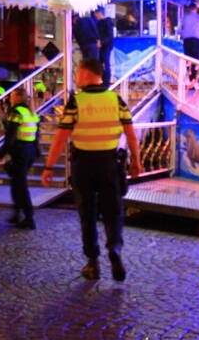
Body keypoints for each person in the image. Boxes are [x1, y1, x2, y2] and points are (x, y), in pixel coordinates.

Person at [41, 58, 142, 281]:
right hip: (109, 164)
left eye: (78, 72)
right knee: (113, 212)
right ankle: (114, 248)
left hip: (83, 165)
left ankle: (93, 262)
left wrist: (49, 166)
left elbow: (60, 138)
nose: (76, 77)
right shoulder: (116, 100)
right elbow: (131, 134)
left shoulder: (76, 102)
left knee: (87, 214)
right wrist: (136, 161)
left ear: (87, 74)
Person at [0, 87, 39, 229]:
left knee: (20, 184)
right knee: (16, 182)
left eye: (12, 95)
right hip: (29, 150)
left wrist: (1, 154)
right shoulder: (30, 112)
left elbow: (10, 136)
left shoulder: (16, 112)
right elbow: (36, 135)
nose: (10, 98)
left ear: (18, 97)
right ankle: (17, 212)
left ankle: (29, 217)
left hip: (20, 151)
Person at [179, 2, 199, 85]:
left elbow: (179, 30)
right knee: (195, 60)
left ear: (189, 8)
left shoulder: (184, 18)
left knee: (188, 60)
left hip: (187, 40)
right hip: (196, 41)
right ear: (196, 9)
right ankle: (194, 80)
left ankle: (189, 79)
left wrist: (182, 35)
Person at [94, 8, 116, 86]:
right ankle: (104, 80)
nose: (95, 17)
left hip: (105, 46)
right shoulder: (102, 23)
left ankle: (106, 81)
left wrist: (102, 42)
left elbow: (109, 36)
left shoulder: (106, 23)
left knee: (106, 63)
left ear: (99, 14)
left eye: (96, 15)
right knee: (103, 63)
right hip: (104, 46)